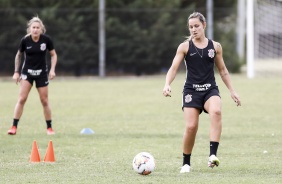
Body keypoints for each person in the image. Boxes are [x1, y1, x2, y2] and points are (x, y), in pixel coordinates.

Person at [162, 12, 241, 173]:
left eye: (196, 26)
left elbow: (223, 71)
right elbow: (174, 68)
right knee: (191, 127)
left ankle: (212, 155)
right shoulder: (184, 47)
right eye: (191, 27)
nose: (193, 29)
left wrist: (232, 91)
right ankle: (186, 163)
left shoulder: (215, 47)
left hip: (210, 89)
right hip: (191, 91)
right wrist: (167, 84)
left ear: (204, 25)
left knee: (217, 111)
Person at [8, 16, 57, 135]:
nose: (35, 30)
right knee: (22, 99)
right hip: (27, 73)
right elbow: (18, 55)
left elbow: (53, 55)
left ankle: (49, 128)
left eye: (37, 28)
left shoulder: (46, 40)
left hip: (41, 74)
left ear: (41, 29)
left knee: (44, 100)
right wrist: (16, 71)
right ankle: (13, 127)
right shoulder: (25, 40)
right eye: (33, 27)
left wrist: (52, 70)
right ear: (30, 29)